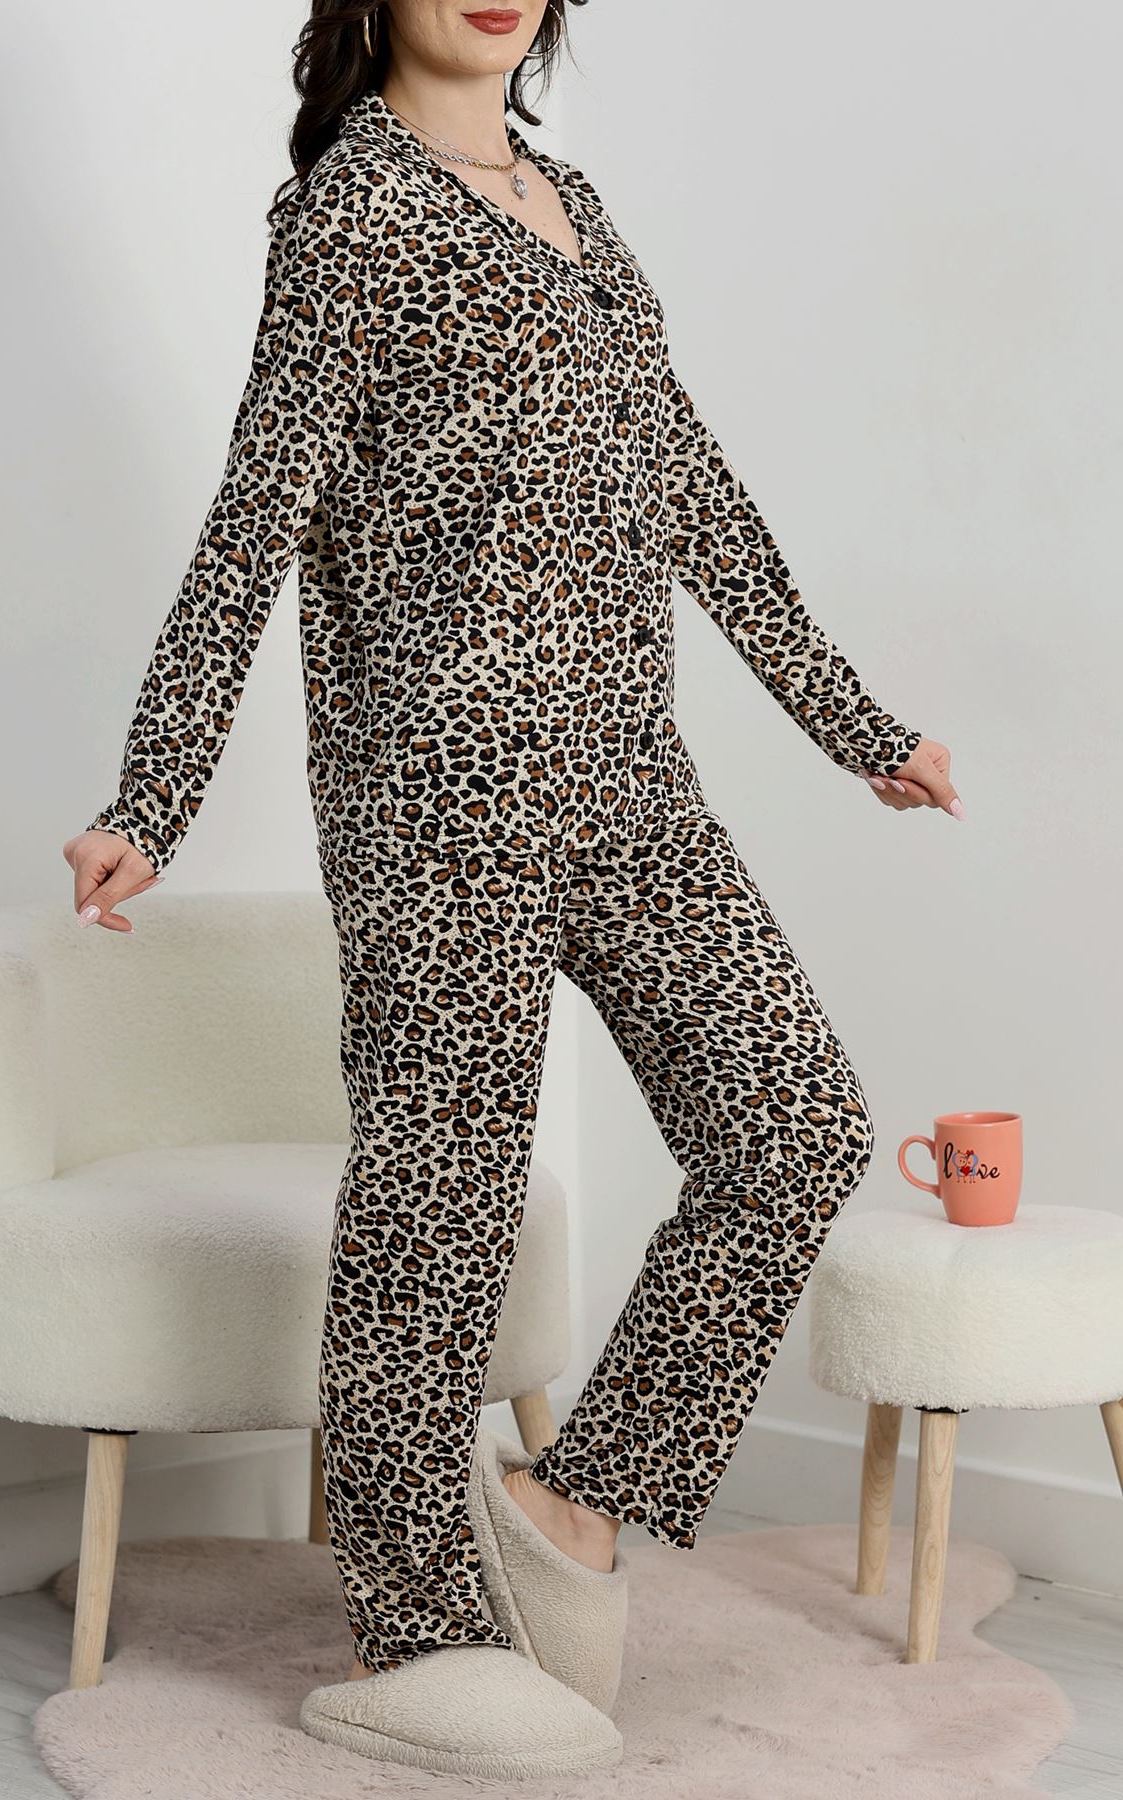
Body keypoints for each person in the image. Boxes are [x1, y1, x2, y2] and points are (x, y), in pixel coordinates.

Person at [64, 0, 962, 1777]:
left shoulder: (574, 204)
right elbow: (255, 518)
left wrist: (854, 722)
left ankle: (570, 1506)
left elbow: (691, 487)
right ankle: (405, 1631)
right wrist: (150, 798)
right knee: (440, 1212)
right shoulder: (351, 211)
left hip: (633, 782)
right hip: (434, 797)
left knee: (791, 1126)